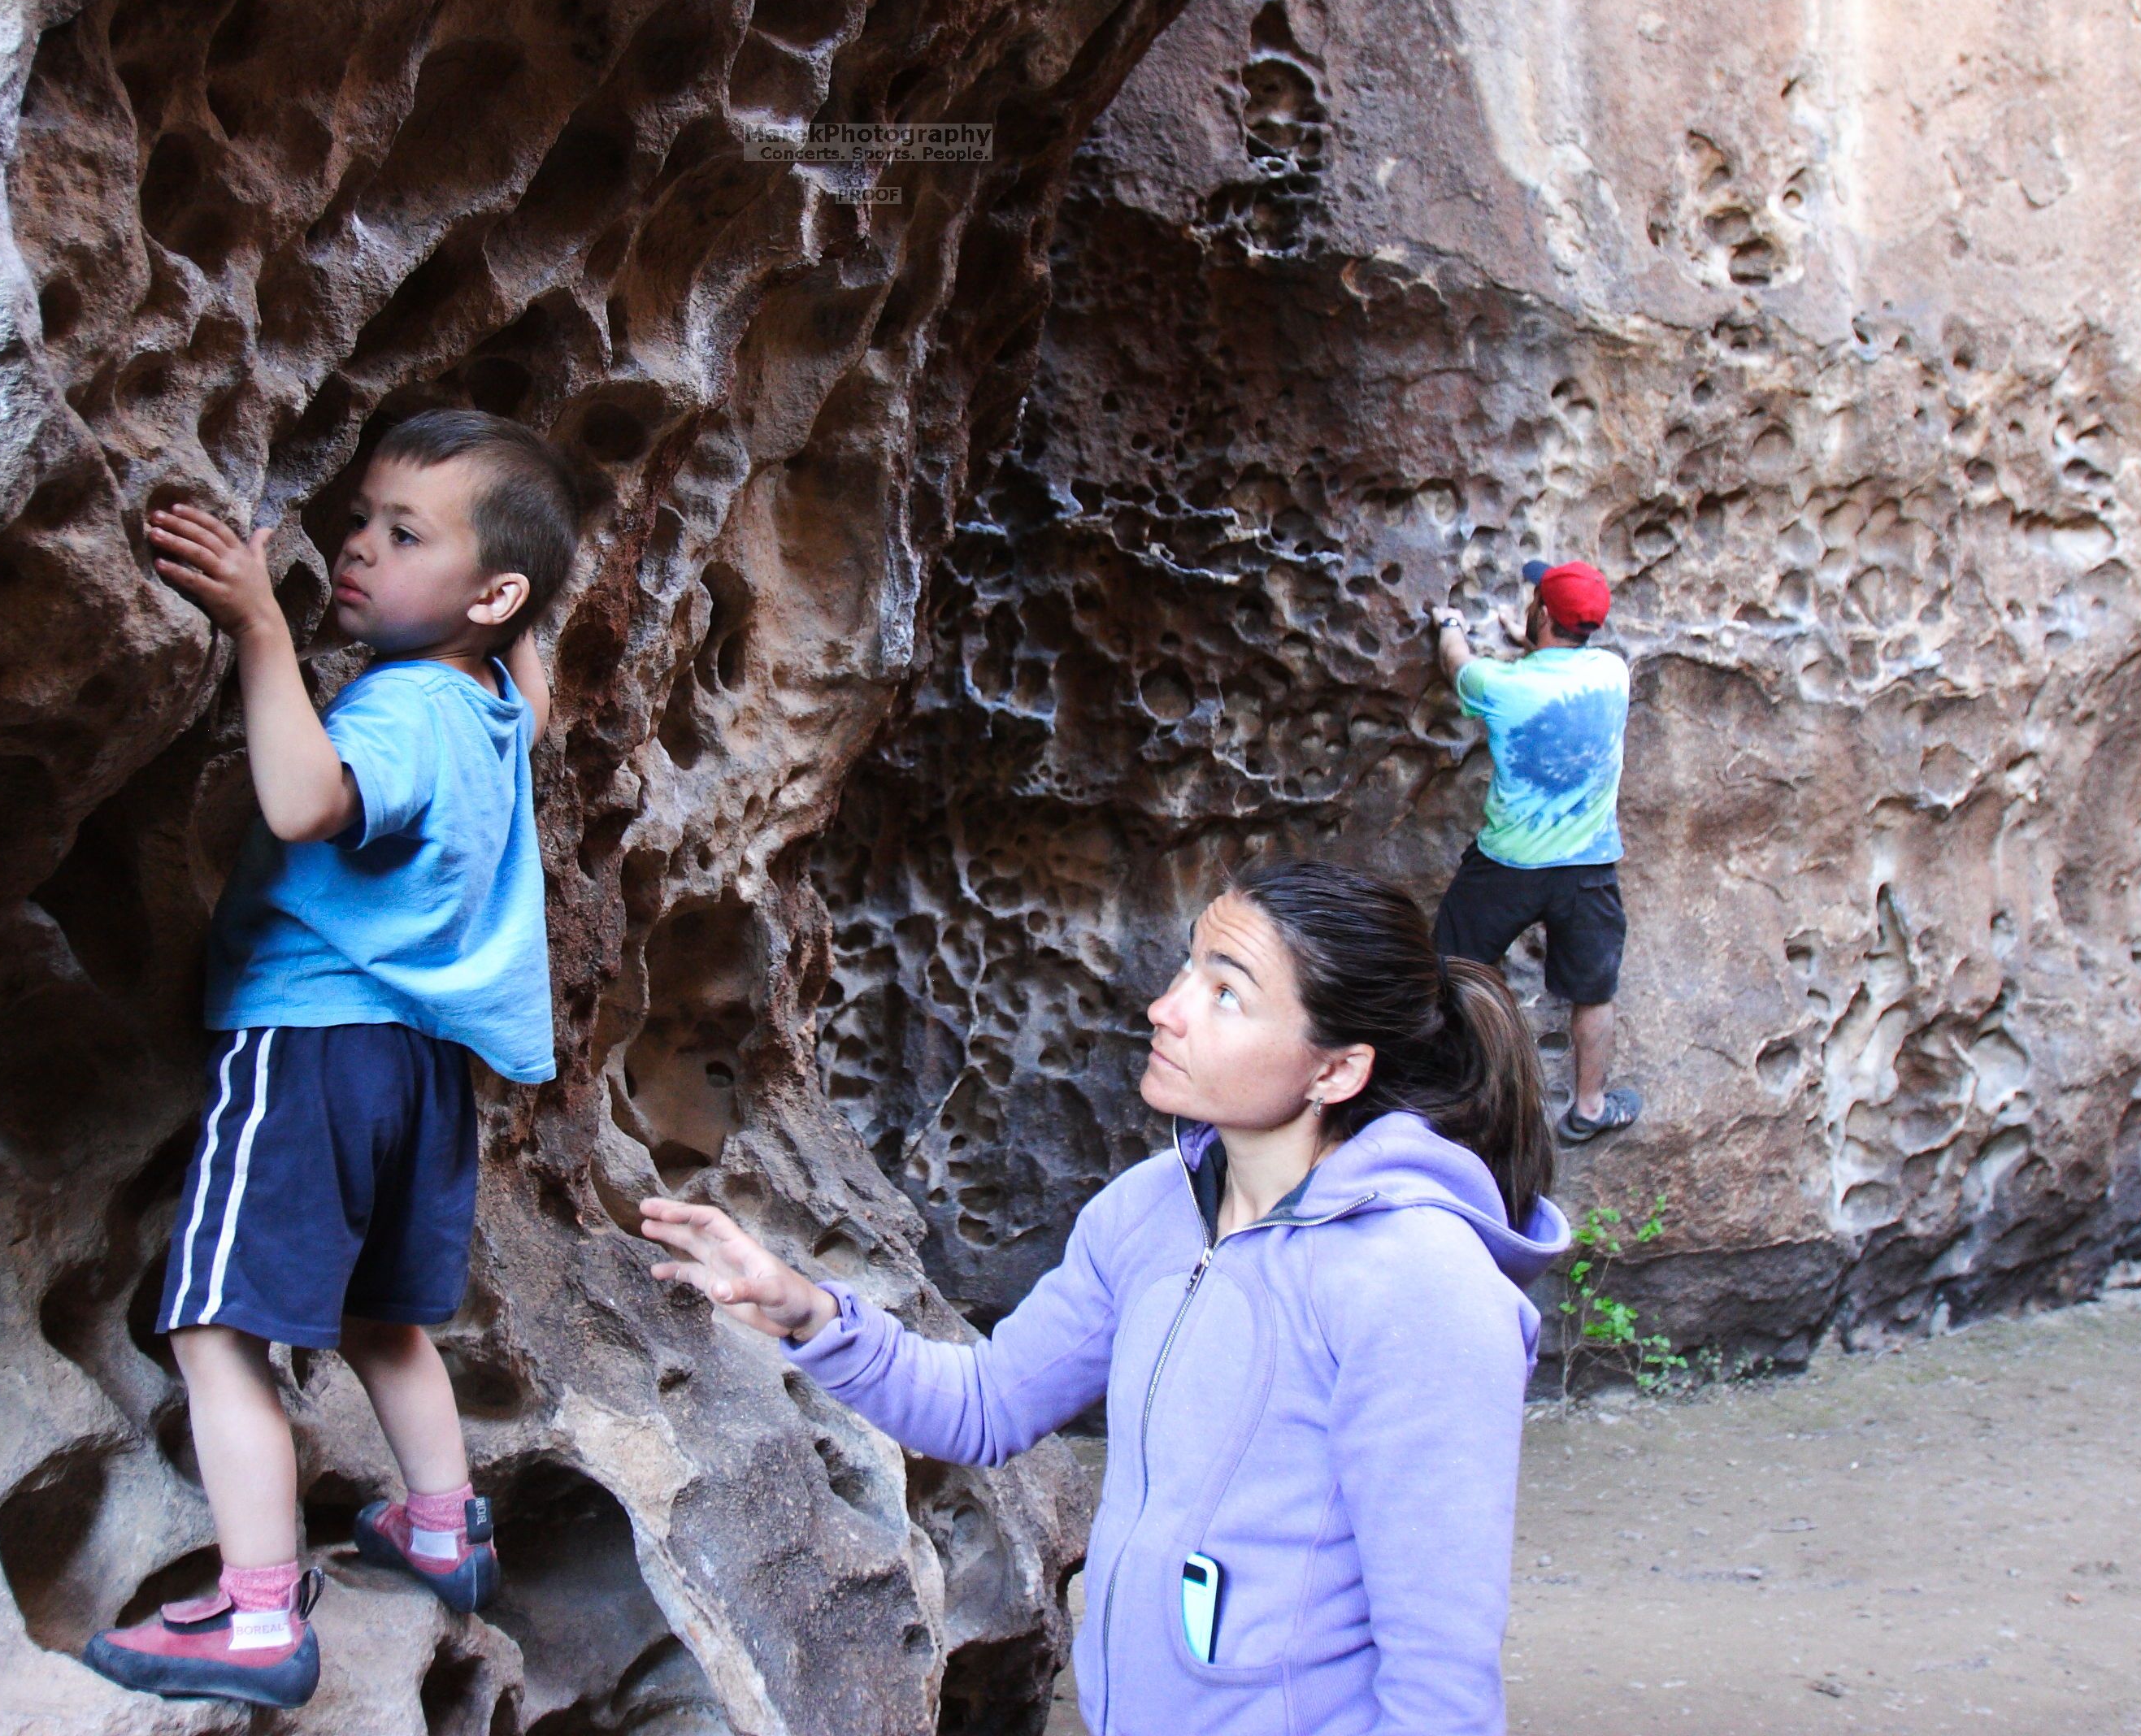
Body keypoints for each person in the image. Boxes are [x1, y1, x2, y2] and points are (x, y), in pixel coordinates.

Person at [642, 859, 1570, 1736]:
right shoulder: (1151, 1210)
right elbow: (987, 1403)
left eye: (1226, 992)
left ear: (1336, 1070)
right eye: (1188, 966)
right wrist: (807, 1310)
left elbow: (1442, 1681)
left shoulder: (1419, 1283)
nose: (1166, 1008)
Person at [80, 410, 580, 1708]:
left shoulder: (409, 703)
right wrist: (506, 611)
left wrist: (258, 626)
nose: (354, 548)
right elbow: (539, 677)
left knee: (212, 1327)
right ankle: (440, 1524)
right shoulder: (493, 706)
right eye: (361, 518)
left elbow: (306, 802)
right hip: (420, 1070)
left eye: (401, 534)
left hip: (309, 1039)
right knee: (382, 1317)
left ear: (492, 590)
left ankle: (254, 1619)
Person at [1428, 558, 1642, 1144]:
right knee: (1594, 991)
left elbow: (1458, 666)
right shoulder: (1613, 674)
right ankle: (1590, 1109)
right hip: (1588, 869)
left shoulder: (1499, 686)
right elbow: (1555, 666)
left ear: (1542, 614)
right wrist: (1536, 641)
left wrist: (1450, 624)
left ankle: (1451, 1103)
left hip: (1506, 867)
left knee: (1450, 971)